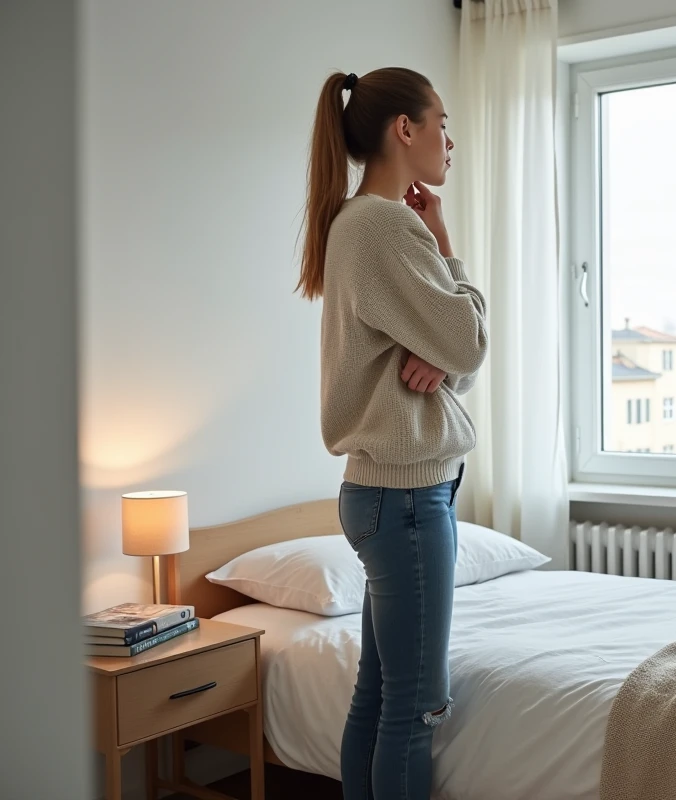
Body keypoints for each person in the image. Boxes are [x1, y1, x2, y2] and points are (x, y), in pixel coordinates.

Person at [296, 67, 487, 800]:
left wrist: (439, 353)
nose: (450, 139)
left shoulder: (359, 224)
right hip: (406, 499)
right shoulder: (386, 226)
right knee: (414, 707)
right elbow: (470, 343)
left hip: (386, 494)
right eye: (441, 120)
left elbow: (456, 365)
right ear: (403, 130)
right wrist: (446, 247)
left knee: (378, 700)